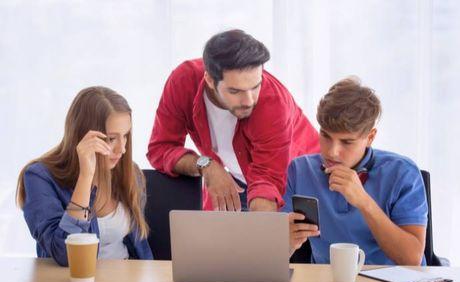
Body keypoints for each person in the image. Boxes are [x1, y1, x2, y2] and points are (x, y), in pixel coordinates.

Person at [147, 29, 319, 212]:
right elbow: (160, 149)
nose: (249, 101)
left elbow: (268, 179)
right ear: (210, 80)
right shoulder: (183, 82)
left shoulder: (274, 103)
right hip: (241, 183)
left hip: (301, 186)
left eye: (255, 86)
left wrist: (263, 232)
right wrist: (206, 165)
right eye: (235, 91)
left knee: (263, 238)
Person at [286, 77, 428, 265]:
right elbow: (273, 253)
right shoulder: (299, 170)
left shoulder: (403, 173)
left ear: (370, 137)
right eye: (325, 135)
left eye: (346, 142)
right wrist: (286, 243)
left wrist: (363, 201)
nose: (331, 151)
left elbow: (411, 259)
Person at [16, 86, 153, 266]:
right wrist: (85, 177)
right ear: (83, 137)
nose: (122, 149)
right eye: (111, 139)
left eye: (125, 136)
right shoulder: (39, 178)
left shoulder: (130, 172)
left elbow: (141, 252)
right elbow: (65, 255)